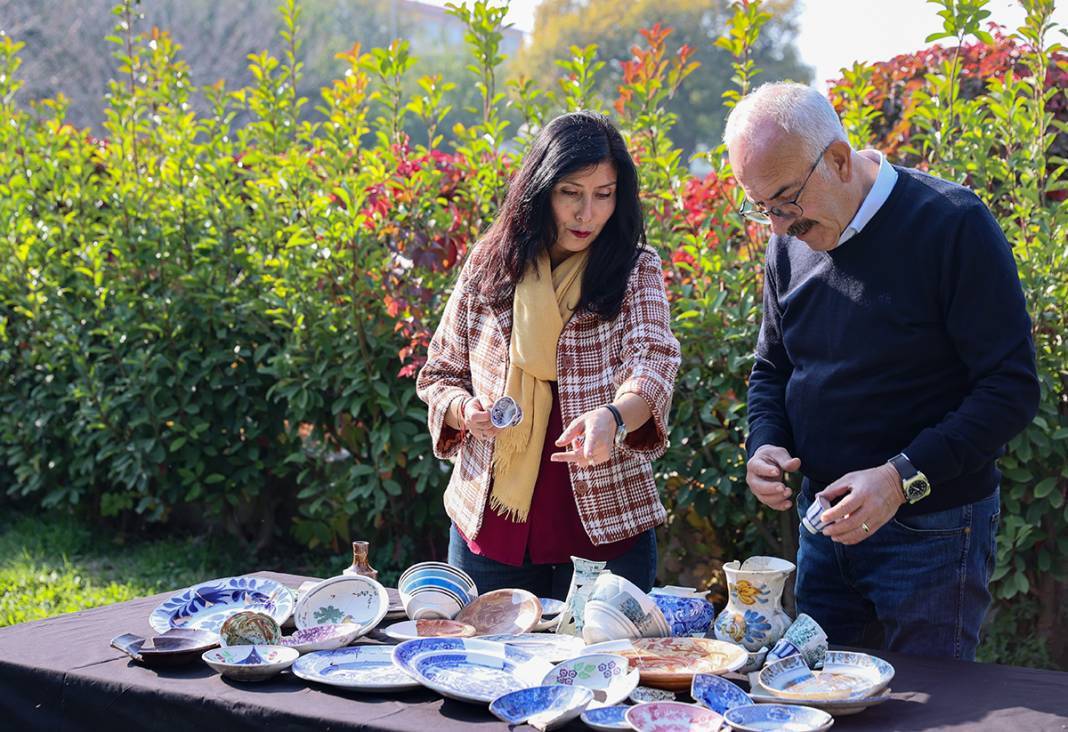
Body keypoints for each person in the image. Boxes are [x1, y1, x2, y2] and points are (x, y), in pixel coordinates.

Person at [726, 82, 1039, 659]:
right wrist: (764, 443)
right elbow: (772, 369)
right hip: (823, 526)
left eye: (785, 201)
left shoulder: (953, 223)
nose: (775, 226)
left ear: (840, 160)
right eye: (760, 207)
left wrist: (899, 479)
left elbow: (1011, 389)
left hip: (934, 534)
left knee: (930, 712)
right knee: (816, 701)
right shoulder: (787, 244)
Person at [416, 111, 681, 600]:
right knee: (488, 672)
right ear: (541, 190)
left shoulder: (634, 268)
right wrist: (462, 409)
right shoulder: (490, 264)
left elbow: (654, 358)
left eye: (604, 194)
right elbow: (440, 371)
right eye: (571, 193)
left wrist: (613, 418)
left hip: (604, 525)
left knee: (598, 672)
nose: (588, 214)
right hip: (492, 524)